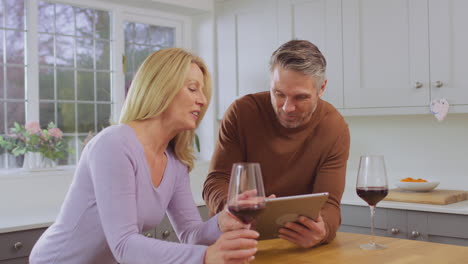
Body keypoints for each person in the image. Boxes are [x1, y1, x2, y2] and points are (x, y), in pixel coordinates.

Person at [30, 48, 259, 264]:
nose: (203, 100)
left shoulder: (175, 162)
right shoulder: (114, 143)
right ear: (161, 88)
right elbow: (124, 244)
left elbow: (191, 234)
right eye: (192, 88)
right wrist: (206, 257)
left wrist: (222, 220)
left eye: (202, 91)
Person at [203, 40, 350, 248]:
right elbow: (215, 182)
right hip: (233, 241)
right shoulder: (242, 113)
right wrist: (236, 209)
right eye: (279, 94)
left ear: (322, 88)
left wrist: (323, 230)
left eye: (300, 97)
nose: (287, 107)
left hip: (292, 248)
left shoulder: (334, 128)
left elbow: (331, 205)